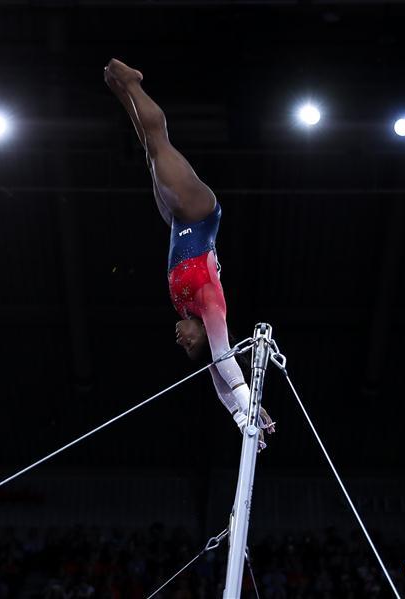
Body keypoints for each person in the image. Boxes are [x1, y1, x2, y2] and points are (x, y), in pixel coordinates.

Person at [104, 58, 275, 446]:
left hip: (176, 221)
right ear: (205, 334)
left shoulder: (188, 310)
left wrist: (239, 418)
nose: (180, 341)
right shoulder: (211, 305)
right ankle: (132, 82)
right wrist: (250, 405)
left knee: (151, 153)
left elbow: (217, 379)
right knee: (161, 145)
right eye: (190, 343)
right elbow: (223, 361)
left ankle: (122, 93)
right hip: (198, 214)